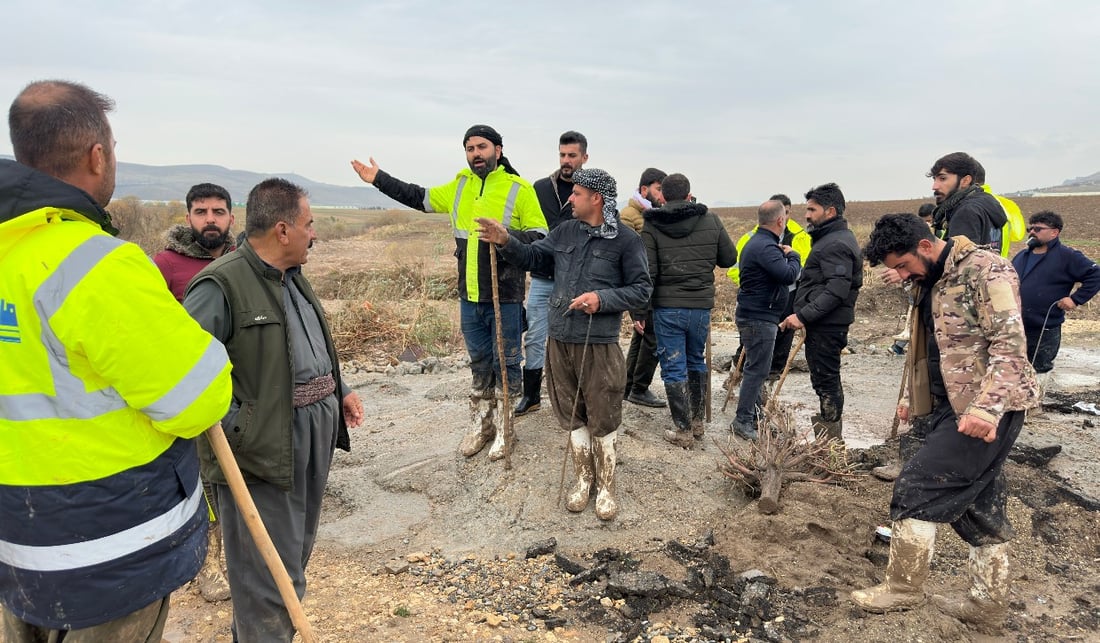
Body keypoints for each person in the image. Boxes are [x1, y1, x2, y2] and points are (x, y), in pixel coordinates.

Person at [0, 80, 232, 641]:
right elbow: (198, 399)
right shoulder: (96, 264)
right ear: (97, 155)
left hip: (18, 539)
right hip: (107, 547)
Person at [183, 178, 365, 642]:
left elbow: (306, 345)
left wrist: (337, 387)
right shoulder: (221, 284)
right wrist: (238, 429)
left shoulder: (293, 277)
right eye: (309, 224)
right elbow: (185, 372)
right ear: (282, 230)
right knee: (267, 578)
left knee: (291, 560)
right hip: (260, 453)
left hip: (309, 441)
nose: (314, 234)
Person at [853, 213, 1039, 629]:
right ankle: (987, 605)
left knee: (917, 484)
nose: (900, 275)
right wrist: (909, 398)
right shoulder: (927, 281)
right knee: (979, 504)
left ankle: (903, 589)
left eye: (902, 265)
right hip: (945, 404)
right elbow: (925, 344)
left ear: (924, 245)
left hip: (986, 408)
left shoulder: (986, 270)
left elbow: (1010, 346)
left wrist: (986, 409)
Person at [351, 125, 547, 460]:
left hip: (506, 295)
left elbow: (541, 238)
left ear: (498, 150)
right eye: (470, 148)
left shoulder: (520, 189)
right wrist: (379, 178)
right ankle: (481, 426)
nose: (476, 154)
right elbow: (419, 197)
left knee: (508, 362)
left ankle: (505, 429)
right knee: (480, 364)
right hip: (469, 295)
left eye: (482, 147)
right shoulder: (459, 186)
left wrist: (505, 238)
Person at [475, 168, 651, 520]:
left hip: (599, 343)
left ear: (596, 199)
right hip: (560, 338)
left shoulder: (627, 241)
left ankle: (606, 486)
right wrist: (506, 240)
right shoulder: (566, 230)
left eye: (577, 194)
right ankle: (583, 481)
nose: (570, 198)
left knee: (603, 413)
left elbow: (642, 289)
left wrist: (601, 299)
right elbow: (535, 257)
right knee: (570, 412)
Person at [640, 173, 737, 447]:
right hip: (700, 307)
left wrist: (640, 310)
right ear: (689, 194)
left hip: (667, 307)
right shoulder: (711, 220)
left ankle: (682, 430)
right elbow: (729, 258)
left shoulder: (652, 225)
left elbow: (649, 272)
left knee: (673, 366)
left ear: (662, 196)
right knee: (696, 360)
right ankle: (696, 423)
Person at [779, 183, 862, 442]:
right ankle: (828, 438)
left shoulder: (835, 244)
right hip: (824, 323)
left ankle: (830, 443)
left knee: (826, 380)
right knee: (823, 378)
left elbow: (836, 290)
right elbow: (821, 280)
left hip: (828, 325)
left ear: (830, 211)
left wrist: (803, 316)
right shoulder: (829, 240)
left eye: (812, 210)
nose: (806, 215)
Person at [516, 130, 588, 416]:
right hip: (543, 276)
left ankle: (578, 398)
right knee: (535, 335)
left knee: (576, 338)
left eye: (572, 155)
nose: (566, 160)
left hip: (577, 279)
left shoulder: (591, 190)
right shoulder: (540, 188)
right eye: (562, 155)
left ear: (585, 157)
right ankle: (532, 395)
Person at [729, 200, 802, 440]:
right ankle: (742, 420)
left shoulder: (757, 243)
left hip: (756, 315)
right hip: (759, 318)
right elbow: (788, 275)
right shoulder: (766, 247)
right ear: (781, 220)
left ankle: (754, 416)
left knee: (756, 369)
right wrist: (794, 256)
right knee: (757, 371)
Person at [728, 193, 811, 377]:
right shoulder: (751, 238)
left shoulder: (801, 237)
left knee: (783, 339)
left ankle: (772, 377)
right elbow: (735, 267)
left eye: (788, 212)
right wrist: (754, 285)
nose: (785, 217)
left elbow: (808, 267)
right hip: (759, 300)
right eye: (783, 213)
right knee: (753, 347)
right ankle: (740, 374)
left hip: (790, 295)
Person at [1011, 211, 1100, 376]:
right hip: (1016, 326)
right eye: (1029, 229)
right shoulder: (1021, 256)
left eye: (1038, 229)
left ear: (1054, 232)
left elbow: (1095, 275)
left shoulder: (1067, 256)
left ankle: (1038, 402)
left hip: (1044, 328)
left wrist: (1075, 299)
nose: (1032, 232)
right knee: (1014, 371)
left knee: (1038, 372)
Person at [620, 167, 668, 408]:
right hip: (639, 287)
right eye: (659, 189)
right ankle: (639, 388)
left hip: (647, 286)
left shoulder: (651, 214)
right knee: (652, 337)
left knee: (642, 337)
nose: (661, 195)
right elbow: (628, 258)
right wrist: (636, 304)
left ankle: (628, 385)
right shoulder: (630, 216)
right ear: (644, 189)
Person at [154, 182, 236, 301]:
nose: (210, 220)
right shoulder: (166, 264)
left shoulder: (242, 260)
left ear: (231, 219)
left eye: (218, 212)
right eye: (200, 212)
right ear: (188, 219)